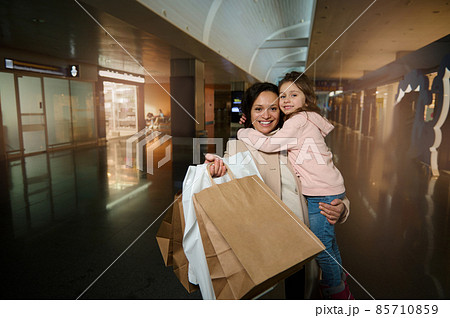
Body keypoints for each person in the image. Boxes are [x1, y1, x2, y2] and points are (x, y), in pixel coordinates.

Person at [205, 82, 351, 299]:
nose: (266, 115)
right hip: (266, 251)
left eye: (273, 108)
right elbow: (225, 179)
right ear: (248, 112)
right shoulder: (239, 146)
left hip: (304, 247)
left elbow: (327, 180)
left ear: (282, 110)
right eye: (257, 109)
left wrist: (343, 209)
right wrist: (215, 171)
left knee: (299, 296)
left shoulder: (298, 140)